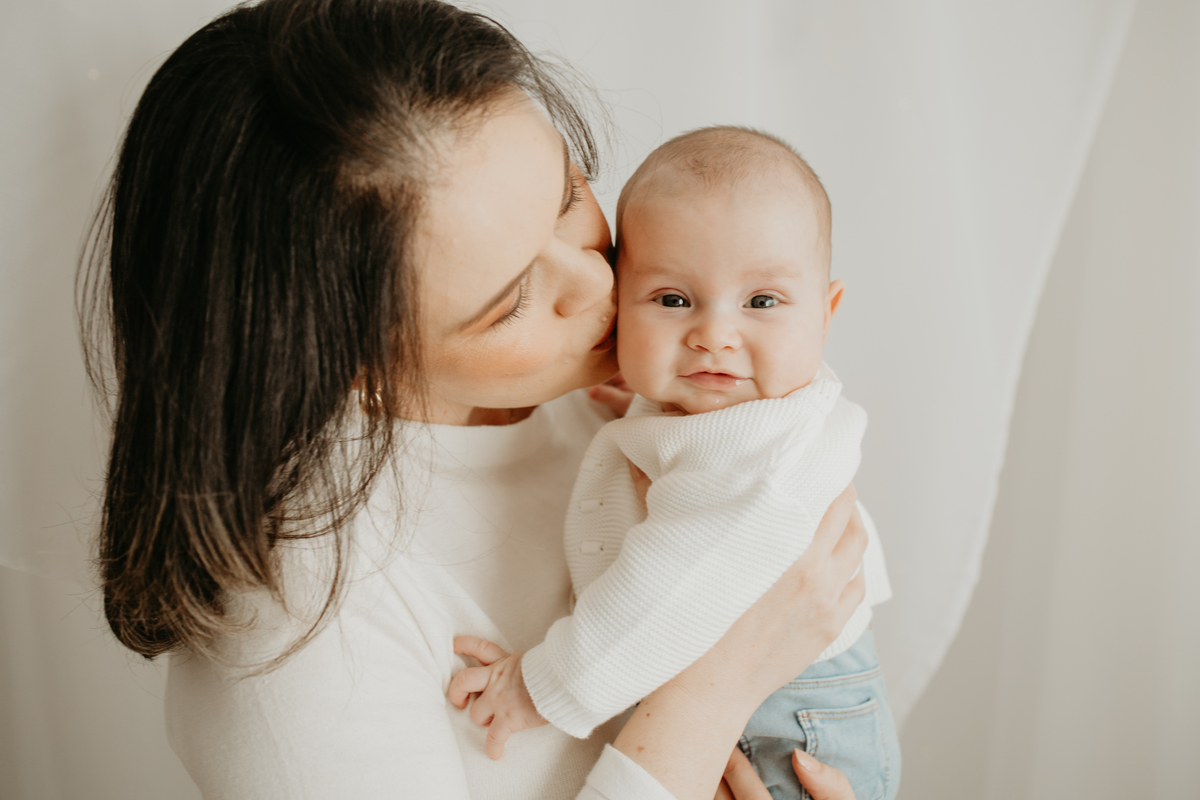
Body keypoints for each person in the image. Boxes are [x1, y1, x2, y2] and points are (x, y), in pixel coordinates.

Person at [79, 1, 869, 797]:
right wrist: (717, 685)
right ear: (357, 363)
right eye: (512, 298)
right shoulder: (294, 625)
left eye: (566, 197)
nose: (602, 280)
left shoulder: (622, 399)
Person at [447, 127, 899, 800]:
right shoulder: (725, 417)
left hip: (788, 724)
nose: (714, 335)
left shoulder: (757, 464)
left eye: (762, 303)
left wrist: (540, 686)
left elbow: (665, 595)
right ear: (620, 308)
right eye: (671, 300)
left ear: (825, 314)